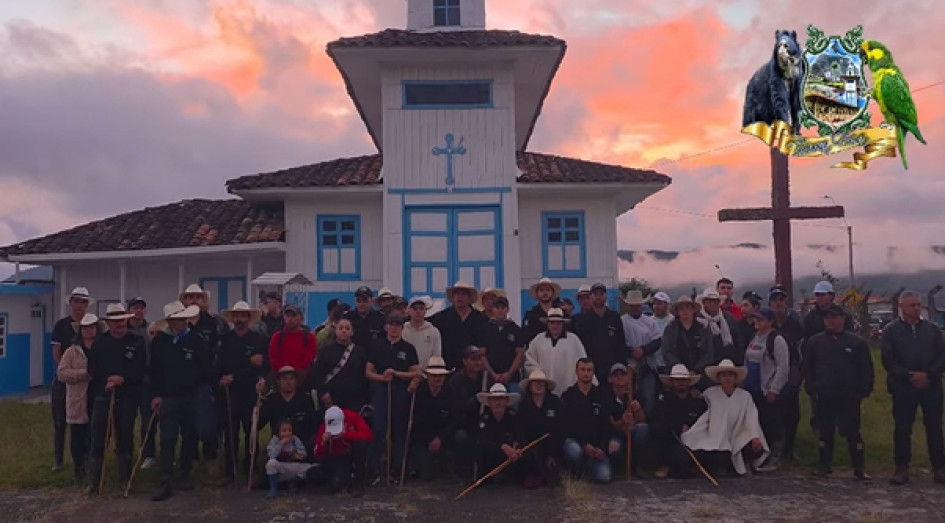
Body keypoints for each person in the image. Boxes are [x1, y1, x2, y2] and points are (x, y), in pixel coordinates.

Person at [881, 290, 945, 485]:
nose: (917, 308)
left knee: (934, 427)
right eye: (912, 305)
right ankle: (901, 468)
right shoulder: (891, 330)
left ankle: (939, 468)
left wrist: (929, 375)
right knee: (902, 428)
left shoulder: (933, 330)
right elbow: (888, 359)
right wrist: (909, 376)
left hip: (931, 386)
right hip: (903, 387)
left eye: (919, 305)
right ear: (902, 307)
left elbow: (942, 357)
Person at [149, 301, 211, 501]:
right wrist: (156, 394)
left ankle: (185, 474)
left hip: (191, 397)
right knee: (167, 439)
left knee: (189, 436)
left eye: (185, 318)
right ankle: (165, 478)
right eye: (179, 319)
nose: (184, 322)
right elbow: (154, 371)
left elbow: (205, 368)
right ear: (170, 322)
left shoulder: (196, 340)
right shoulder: (159, 342)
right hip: (168, 397)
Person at [804, 304, 874, 480]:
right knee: (825, 432)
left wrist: (863, 391)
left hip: (849, 396)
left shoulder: (857, 343)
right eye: (827, 318)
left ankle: (859, 468)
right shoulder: (815, 342)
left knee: (852, 433)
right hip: (824, 396)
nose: (830, 321)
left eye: (834, 317)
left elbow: (866, 369)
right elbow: (808, 367)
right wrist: (811, 388)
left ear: (842, 319)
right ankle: (824, 466)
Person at [86, 303, 146, 495]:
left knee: (125, 438)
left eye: (122, 320)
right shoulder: (99, 343)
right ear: (108, 323)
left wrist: (123, 378)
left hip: (128, 396)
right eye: (115, 321)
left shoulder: (137, 341)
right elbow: (92, 369)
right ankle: (94, 482)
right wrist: (108, 379)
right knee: (98, 439)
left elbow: (141, 369)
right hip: (103, 395)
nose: (119, 324)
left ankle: (125, 480)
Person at [681, 359, 769, 477]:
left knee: (754, 449)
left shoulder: (745, 396)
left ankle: (745, 463)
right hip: (716, 437)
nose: (727, 378)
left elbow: (751, 417)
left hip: (738, 436)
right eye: (723, 375)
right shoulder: (709, 394)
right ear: (719, 378)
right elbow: (701, 413)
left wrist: (754, 437)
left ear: (735, 377)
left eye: (730, 375)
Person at [216, 300, 270, 486]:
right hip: (230, 393)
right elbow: (221, 366)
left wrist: (244, 372)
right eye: (236, 316)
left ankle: (251, 468)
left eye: (243, 316)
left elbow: (263, 365)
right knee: (231, 433)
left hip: (250, 392)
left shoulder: (259, 340)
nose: (239, 319)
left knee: (251, 432)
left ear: (249, 318)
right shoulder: (225, 340)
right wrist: (248, 362)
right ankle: (230, 472)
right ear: (232, 319)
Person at [365, 313, 421, 485]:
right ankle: (375, 471)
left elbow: (416, 372)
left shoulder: (408, 348)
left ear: (402, 328)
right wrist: (382, 378)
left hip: (400, 390)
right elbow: (368, 372)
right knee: (379, 429)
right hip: (382, 390)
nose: (394, 328)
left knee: (399, 431)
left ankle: (397, 469)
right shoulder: (376, 346)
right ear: (386, 327)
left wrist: (396, 373)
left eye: (398, 325)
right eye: (391, 324)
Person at [180, 283, 228, 475]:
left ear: (204, 301)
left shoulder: (215, 323)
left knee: (209, 424)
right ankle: (190, 461)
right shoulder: (177, 323)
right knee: (188, 425)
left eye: (198, 297)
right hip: (183, 383)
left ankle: (211, 459)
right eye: (189, 297)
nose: (193, 300)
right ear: (183, 301)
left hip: (208, 382)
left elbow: (223, 351)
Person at [50, 286, 93, 472]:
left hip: (88, 383)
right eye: (76, 301)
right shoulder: (61, 325)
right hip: (64, 380)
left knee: (85, 421)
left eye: (83, 302)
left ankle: (84, 459)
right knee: (60, 421)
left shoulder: (92, 325)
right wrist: (65, 371)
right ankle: (58, 460)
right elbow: (56, 351)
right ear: (70, 303)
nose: (79, 305)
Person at [57, 313, 103, 483]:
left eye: (92, 327)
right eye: (85, 327)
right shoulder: (71, 351)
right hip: (78, 397)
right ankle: (79, 469)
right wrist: (83, 374)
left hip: (97, 395)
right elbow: (61, 373)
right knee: (77, 436)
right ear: (80, 330)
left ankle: (93, 468)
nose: (89, 330)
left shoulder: (102, 348)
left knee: (95, 434)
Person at [742, 307, 790, 471]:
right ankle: (759, 458)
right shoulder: (754, 337)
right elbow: (747, 360)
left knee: (773, 424)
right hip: (752, 387)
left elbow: (783, 367)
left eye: (761, 319)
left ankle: (775, 458)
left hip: (767, 389)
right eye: (756, 318)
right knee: (759, 423)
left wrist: (774, 389)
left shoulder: (776, 340)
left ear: (770, 321)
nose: (757, 322)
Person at [768, 284, 805, 461]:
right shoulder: (767, 322)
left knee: (792, 413)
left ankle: (790, 448)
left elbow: (801, 348)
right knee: (773, 414)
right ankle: (775, 448)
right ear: (770, 304)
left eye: (781, 300)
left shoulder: (795, 321)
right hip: (770, 372)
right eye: (774, 301)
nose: (778, 304)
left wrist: (798, 376)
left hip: (791, 371)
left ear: (786, 302)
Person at [561, 358, 612, 484]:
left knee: (604, 477)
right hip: (577, 443)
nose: (586, 373)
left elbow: (606, 425)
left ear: (593, 373)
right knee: (574, 451)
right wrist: (584, 445)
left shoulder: (601, 395)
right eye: (582, 370)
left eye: (589, 370)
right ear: (576, 372)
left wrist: (601, 448)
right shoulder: (568, 396)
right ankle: (575, 471)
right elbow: (567, 426)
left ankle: (589, 469)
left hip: (596, 447)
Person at [651, 364, 706, 479]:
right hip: (670, 440)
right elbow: (658, 421)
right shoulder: (663, 399)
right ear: (671, 382)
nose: (680, 383)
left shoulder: (697, 401)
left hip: (694, 442)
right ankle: (665, 465)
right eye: (677, 380)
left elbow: (704, 420)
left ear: (688, 381)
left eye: (683, 380)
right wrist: (679, 426)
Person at [447, 345, 492, 478]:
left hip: (484, 421)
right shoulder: (456, 381)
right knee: (461, 437)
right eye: (473, 359)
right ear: (465, 361)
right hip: (463, 423)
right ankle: (462, 472)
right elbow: (457, 407)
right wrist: (478, 398)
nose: (477, 362)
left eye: (479, 359)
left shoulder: (487, 378)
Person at [408, 356, 456, 481]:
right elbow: (413, 421)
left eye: (440, 375)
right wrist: (409, 391)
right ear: (427, 376)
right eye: (433, 375)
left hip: (443, 438)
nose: (437, 378)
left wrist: (440, 438)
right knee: (425, 476)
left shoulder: (450, 393)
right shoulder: (417, 392)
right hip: (421, 439)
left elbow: (454, 421)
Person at [524, 308, 592, 393]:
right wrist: (538, 374)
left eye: (558, 323)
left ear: (563, 324)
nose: (555, 326)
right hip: (545, 388)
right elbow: (529, 360)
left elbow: (583, 362)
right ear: (547, 324)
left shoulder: (573, 340)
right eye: (552, 323)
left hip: (569, 387)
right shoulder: (538, 340)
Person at [309, 318, 370, 413]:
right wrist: (324, 393)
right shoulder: (326, 350)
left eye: (347, 328)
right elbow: (317, 374)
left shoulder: (360, 351)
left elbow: (364, 375)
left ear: (352, 332)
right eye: (341, 328)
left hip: (355, 400)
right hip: (331, 399)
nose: (344, 331)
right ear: (336, 331)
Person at [516, 370, 565, 488]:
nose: (538, 386)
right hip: (530, 448)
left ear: (546, 386)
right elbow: (519, 429)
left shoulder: (555, 402)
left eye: (541, 383)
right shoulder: (523, 405)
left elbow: (560, 429)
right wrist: (524, 447)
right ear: (530, 387)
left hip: (552, 446)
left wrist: (551, 454)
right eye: (535, 383)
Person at [573, 283, 627, 386]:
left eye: (601, 294)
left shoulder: (614, 317)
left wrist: (620, 367)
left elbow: (621, 343)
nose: (598, 297)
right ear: (591, 297)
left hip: (612, 370)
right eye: (595, 294)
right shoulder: (582, 320)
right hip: (591, 372)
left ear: (605, 297)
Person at [474, 383, 528, 484]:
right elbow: (483, 441)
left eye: (501, 399)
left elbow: (521, 437)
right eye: (494, 399)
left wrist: (518, 448)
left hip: (511, 458)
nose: (498, 402)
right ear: (489, 402)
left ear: (507, 401)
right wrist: (502, 447)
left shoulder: (514, 417)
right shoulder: (484, 418)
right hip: (491, 457)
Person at [126, 297, 157, 470]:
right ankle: (126, 454)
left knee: (149, 420)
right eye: (135, 307)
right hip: (129, 383)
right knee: (127, 420)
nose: (138, 311)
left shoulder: (151, 329)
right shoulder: (123, 330)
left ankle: (149, 454)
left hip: (147, 381)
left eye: (141, 308)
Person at [313, 406, 372, 497]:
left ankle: (358, 481)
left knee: (361, 445)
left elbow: (368, 436)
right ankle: (343, 481)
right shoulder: (324, 427)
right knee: (338, 484)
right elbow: (317, 454)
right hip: (338, 457)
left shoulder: (353, 417)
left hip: (353, 452)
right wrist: (323, 443)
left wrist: (347, 435)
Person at [620, 290, 663, 413]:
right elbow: (618, 343)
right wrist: (631, 352)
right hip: (627, 367)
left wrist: (643, 350)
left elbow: (657, 341)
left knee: (649, 398)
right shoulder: (621, 321)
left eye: (637, 305)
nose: (634, 308)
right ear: (627, 305)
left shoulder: (650, 321)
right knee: (627, 398)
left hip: (647, 365)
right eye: (632, 305)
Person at [431, 281, 488, 371]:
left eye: (463, 294)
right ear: (452, 298)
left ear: (469, 298)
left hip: (473, 368)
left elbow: (484, 344)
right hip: (448, 366)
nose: (460, 297)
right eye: (457, 294)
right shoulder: (441, 317)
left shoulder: (481, 318)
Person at [662, 296, 717, 388]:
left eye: (688, 307)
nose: (685, 311)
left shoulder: (703, 328)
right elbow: (667, 351)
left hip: (700, 375)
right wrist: (681, 370)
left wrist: (696, 370)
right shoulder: (670, 329)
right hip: (676, 375)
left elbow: (709, 353)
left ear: (693, 310)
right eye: (681, 308)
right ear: (677, 312)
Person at [605, 363, 649, 477]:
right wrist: (622, 422)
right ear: (610, 379)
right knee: (613, 447)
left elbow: (643, 420)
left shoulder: (635, 395)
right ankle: (619, 470)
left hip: (632, 431)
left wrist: (638, 410)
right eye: (616, 375)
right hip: (614, 434)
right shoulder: (605, 397)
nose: (619, 377)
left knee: (643, 430)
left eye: (623, 374)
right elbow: (608, 425)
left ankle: (639, 466)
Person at [478, 295, 525, 394]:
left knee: (514, 404)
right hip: (490, 377)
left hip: (512, 378)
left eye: (503, 308)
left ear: (507, 309)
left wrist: (509, 373)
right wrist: (493, 374)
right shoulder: (484, 328)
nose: (500, 310)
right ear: (493, 309)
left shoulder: (515, 329)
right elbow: (482, 354)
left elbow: (519, 354)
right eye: (497, 307)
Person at [268, 304, 317, 386]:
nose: (290, 319)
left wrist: (294, 375)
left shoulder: (309, 337)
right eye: (287, 315)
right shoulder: (277, 337)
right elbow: (273, 358)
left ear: (301, 318)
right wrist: (284, 375)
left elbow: (309, 359)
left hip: (302, 381)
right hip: (281, 381)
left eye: (294, 315)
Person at [265, 419, 313, 498]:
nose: (287, 433)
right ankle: (273, 489)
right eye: (284, 431)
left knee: (309, 467)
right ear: (278, 432)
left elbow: (303, 452)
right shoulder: (275, 440)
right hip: (280, 468)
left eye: (289, 430)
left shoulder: (295, 439)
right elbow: (271, 455)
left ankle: (293, 483)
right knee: (271, 463)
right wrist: (281, 444)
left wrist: (299, 455)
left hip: (292, 466)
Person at [697, 288, 739, 363]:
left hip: (726, 362)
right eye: (709, 301)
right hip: (703, 362)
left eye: (715, 301)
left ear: (719, 302)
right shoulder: (697, 319)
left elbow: (737, 340)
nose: (712, 304)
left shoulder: (728, 318)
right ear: (703, 303)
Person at [402, 296, 443, 370]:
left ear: (425, 311)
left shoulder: (434, 332)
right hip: (405, 374)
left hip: (427, 375)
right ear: (409, 311)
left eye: (421, 308)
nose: (418, 311)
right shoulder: (402, 330)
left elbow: (436, 356)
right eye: (415, 309)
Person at [345, 287, 386, 351]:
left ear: (371, 301)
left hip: (375, 358)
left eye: (365, 301)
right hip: (353, 358)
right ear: (355, 302)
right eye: (359, 301)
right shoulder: (347, 318)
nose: (362, 304)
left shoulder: (381, 318)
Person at [523, 278, 563, 343]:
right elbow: (525, 336)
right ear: (537, 293)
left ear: (552, 293)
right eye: (541, 290)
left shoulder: (561, 313)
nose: (545, 293)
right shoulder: (530, 314)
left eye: (548, 290)